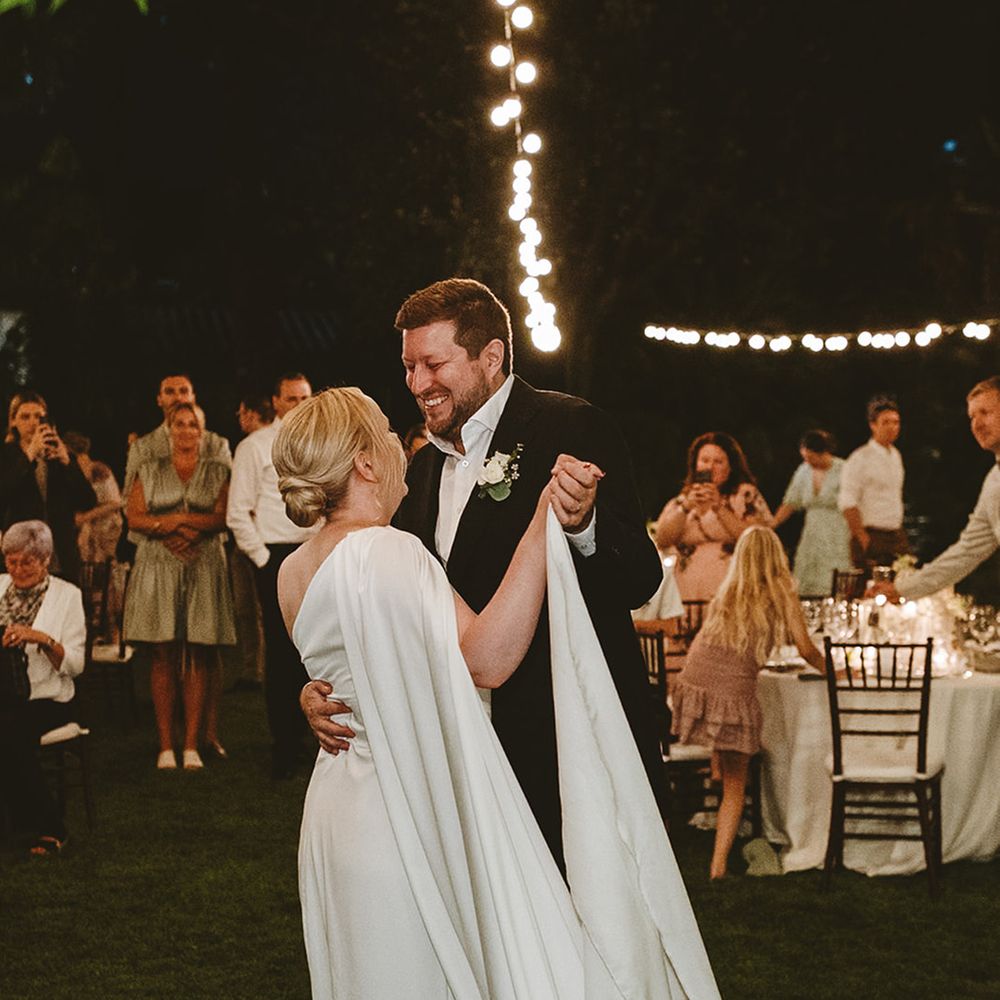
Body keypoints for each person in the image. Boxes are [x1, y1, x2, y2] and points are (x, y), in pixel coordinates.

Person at [275, 387, 718, 1000]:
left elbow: (352, 664)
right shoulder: (389, 551)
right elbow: (487, 658)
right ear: (365, 463)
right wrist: (540, 524)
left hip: (337, 811)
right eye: (383, 429)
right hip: (405, 814)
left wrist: (309, 696)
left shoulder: (292, 571)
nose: (398, 439)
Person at [301, 278, 665, 868]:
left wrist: (583, 525)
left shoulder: (568, 426)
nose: (418, 384)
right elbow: (392, 602)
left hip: (562, 744)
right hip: (455, 754)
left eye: (433, 364)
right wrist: (323, 689)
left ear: (490, 357)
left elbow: (640, 577)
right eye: (409, 367)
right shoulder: (415, 474)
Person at [672, 526, 825, 879]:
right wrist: (835, 671)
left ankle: (717, 763)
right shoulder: (781, 592)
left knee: (725, 755)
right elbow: (805, 648)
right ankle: (718, 866)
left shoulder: (729, 591)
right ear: (777, 557)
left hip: (695, 681)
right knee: (735, 785)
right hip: (731, 694)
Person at [123, 401, 236, 770]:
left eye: (193, 425)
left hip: (203, 564)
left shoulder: (217, 469)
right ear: (169, 430)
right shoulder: (149, 468)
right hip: (158, 566)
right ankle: (165, 746)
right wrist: (167, 528)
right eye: (180, 425)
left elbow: (223, 516)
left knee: (198, 652)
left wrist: (183, 523)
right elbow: (134, 516)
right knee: (163, 654)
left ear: (202, 432)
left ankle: (192, 745)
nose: (186, 431)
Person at [226, 372, 319, 778]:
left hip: (320, 551)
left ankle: (321, 743)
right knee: (282, 653)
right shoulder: (255, 446)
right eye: (291, 399)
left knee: (321, 650)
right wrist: (263, 560)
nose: (299, 405)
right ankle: (284, 744)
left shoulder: (321, 443)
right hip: (276, 554)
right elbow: (237, 512)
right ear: (277, 402)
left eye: (305, 397)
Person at [0, 520, 87, 857]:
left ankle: (51, 828)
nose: (18, 569)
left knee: (9, 732)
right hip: (5, 694)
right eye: (11, 561)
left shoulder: (67, 596)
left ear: (46, 559)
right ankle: (19, 825)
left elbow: (76, 665)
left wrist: (42, 639)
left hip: (48, 697)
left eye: (27, 562)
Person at [872, 377, 1000, 602]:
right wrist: (902, 589)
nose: (977, 424)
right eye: (972, 416)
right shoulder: (993, 481)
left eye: (985, 413)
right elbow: (966, 551)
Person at [654, 431, 773, 602]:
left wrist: (719, 507)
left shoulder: (745, 496)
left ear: (730, 466)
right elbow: (662, 539)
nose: (710, 467)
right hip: (687, 594)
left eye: (718, 461)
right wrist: (686, 508)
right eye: (705, 460)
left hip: (732, 591)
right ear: (695, 464)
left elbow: (756, 539)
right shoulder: (682, 500)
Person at [0, 392, 97, 583]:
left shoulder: (58, 454)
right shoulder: (6, 456)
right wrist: (28, 457)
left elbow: (88, 500)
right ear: (13, 422)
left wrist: (67, 462)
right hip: (22, 555)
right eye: (25, 416)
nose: (33, 422)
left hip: (60, 552)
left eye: (38, 416)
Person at [772, 429, 852, 595]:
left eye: (811, 457)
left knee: (834, 576)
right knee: (806, 578)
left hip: (836, 530)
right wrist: (773, 524)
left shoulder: (844, 469)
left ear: (823, 453)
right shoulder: (804, 471)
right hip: (812, 531)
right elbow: (791, 502)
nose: (808, 462)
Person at [838, 394, 908, 570]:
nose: (892, 427)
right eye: (886, 422)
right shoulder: (860, 458)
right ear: (873, 425)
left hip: (895, 534)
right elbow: (847, 502)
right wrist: (863, 538)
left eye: (896, 422)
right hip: (871, 534)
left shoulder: (896, 456)